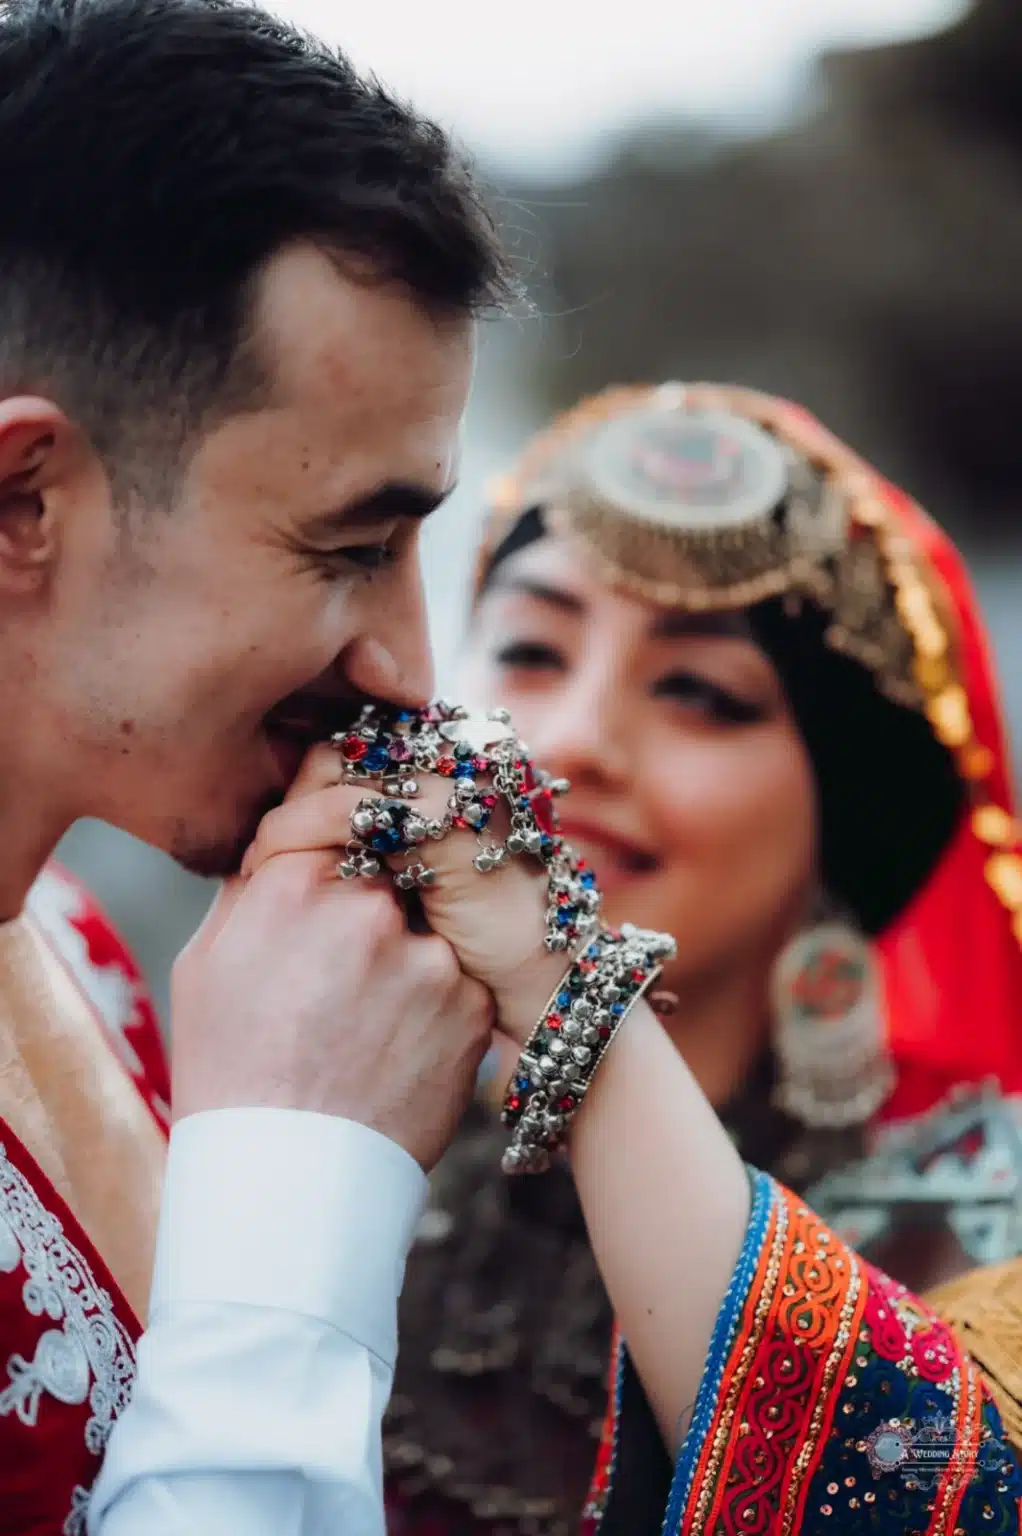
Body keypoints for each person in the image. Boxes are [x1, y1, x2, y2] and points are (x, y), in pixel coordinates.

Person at [244, 379, 1022, 1533]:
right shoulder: (318, 1120)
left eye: (700, 694)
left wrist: (562, 986)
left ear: (839, 835)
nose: (569, 741)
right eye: (530, 651)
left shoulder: (975, 1238)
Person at [0, 1, 513, 1531]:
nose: (407, 674)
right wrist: (304, 1166)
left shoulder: (82, 954)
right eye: (349, 548)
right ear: (28, 500)